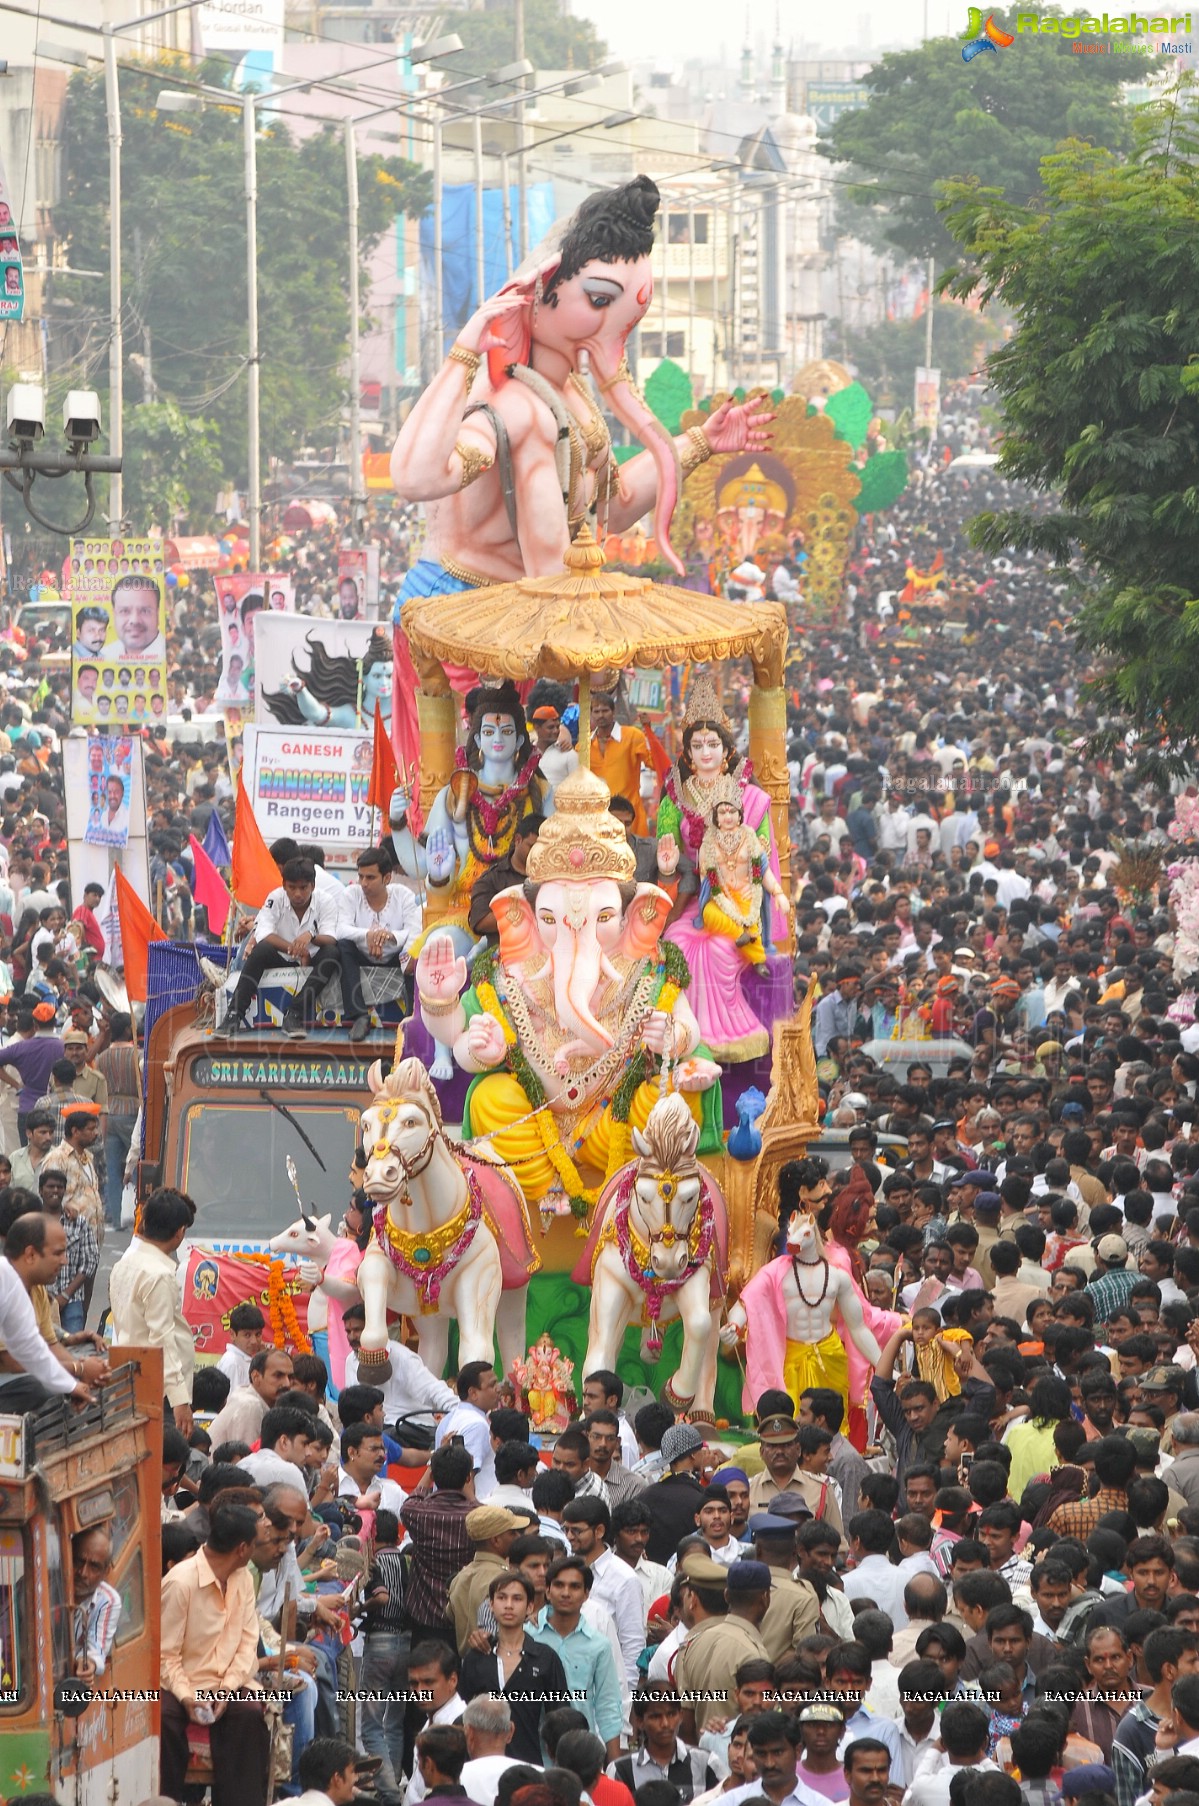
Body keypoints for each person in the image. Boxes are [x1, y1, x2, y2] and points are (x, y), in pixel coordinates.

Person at [158, 1500, 271, 1806]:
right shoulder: (181, 1583)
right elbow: (165, 1656)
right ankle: (167, 1800)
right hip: (182, 1682)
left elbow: (248, 1643)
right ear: (243, 1548)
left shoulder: (242, 1579)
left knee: (248, 1715)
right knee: (163, 1717)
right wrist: (187, 1696)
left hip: (229, 1683)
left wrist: (227, 1689)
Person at [107, 1185, 196, 1435]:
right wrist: (180, 1400)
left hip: (133, 1380)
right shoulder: (159, 1275)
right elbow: (162, 1341)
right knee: (162, 1462)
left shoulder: (124, 1264)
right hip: (160, 1390)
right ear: (180, 1233)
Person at [224, 857, 342, 1040]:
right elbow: (263, 933)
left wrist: (310, 936)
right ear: (284, 885)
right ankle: (233, 1015)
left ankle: (294, 1013)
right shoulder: (275, 898)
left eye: (303, 888)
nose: (297, 894)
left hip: (311, 962)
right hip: (280, 958)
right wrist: (294, 949)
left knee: (332, 954)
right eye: (292, 888)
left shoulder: (326, 901)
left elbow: (331, 939)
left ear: (313, 885)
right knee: (261, 950)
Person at [459, 1574, 572, 1763]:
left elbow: (560, 1716)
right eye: (502, 1597)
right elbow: (461, 1712)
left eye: (517, 1598)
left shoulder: (545, 1658)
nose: (509, 1605)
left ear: (529, 1606)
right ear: (491, 1604)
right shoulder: (476, 1657)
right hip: (479, 1764)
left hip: (528, 1762)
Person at [335, 846, 422, 1039]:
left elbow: (414, 931)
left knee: (415, 951)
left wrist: (389, 936)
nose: (364, 883)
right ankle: (359, 1016)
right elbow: (340, 929)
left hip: (394, 956)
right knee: (342, 946)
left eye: (370, 877)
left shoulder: (403, 895)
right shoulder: (351, 894)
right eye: (361, 877)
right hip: (361, 954)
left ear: (387, 878)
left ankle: (411, 1019)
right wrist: (369, 935)